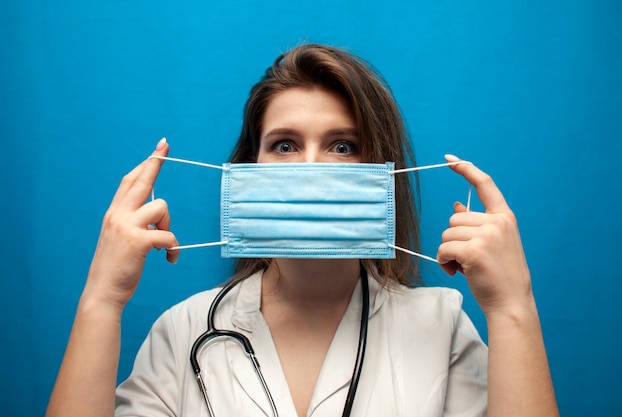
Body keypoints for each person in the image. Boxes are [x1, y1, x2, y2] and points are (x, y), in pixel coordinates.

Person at [46, 44, 559, 417]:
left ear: (383, 173)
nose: (308, 170)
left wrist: (514, 306)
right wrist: (101, 301)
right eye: (285, 145)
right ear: (247, 168)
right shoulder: (183, 331)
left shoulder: (441, 326)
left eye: (342, 146)